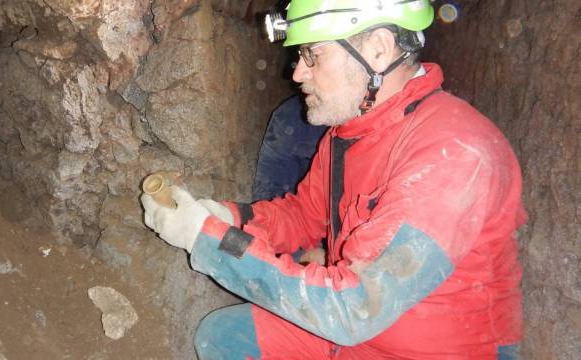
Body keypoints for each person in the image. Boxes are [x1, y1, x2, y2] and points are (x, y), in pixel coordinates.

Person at [141, 0, 525, 358]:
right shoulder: (349, 133)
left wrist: (208, 239)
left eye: (313, 54)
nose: (297, 72)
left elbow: (356, 308)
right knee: (224, 336)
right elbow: (304, 215)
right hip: (357, 331)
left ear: (378, 49)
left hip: (440, 346)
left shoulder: (455, 151)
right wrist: (228, 218)